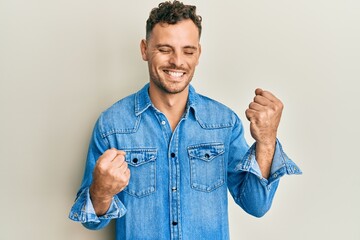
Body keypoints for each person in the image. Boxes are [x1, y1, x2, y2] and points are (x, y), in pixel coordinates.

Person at [69, 1, 301, 239]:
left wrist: (267, 140)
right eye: (165, 49)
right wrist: (101, 192)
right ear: (144, 49)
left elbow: (256, 205)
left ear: (198, 54)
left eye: (188, 51)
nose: (178, 61)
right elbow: (91, 222)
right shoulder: (112, 126)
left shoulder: (224, 123)